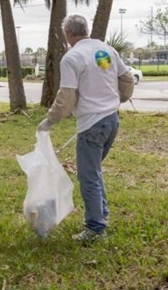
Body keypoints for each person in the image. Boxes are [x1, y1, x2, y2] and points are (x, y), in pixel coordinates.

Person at [37, 14, 134, 243]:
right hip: (112, 121)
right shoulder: (106, 50)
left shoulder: (72, 57)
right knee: (94, 171)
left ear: (68, 34)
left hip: (91, 125)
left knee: (88, 176)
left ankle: (95, 229)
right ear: (86, 30)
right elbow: (127, 79)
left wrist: (48, 122)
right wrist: (118, 99)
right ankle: (102, 215)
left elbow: (66, 97)